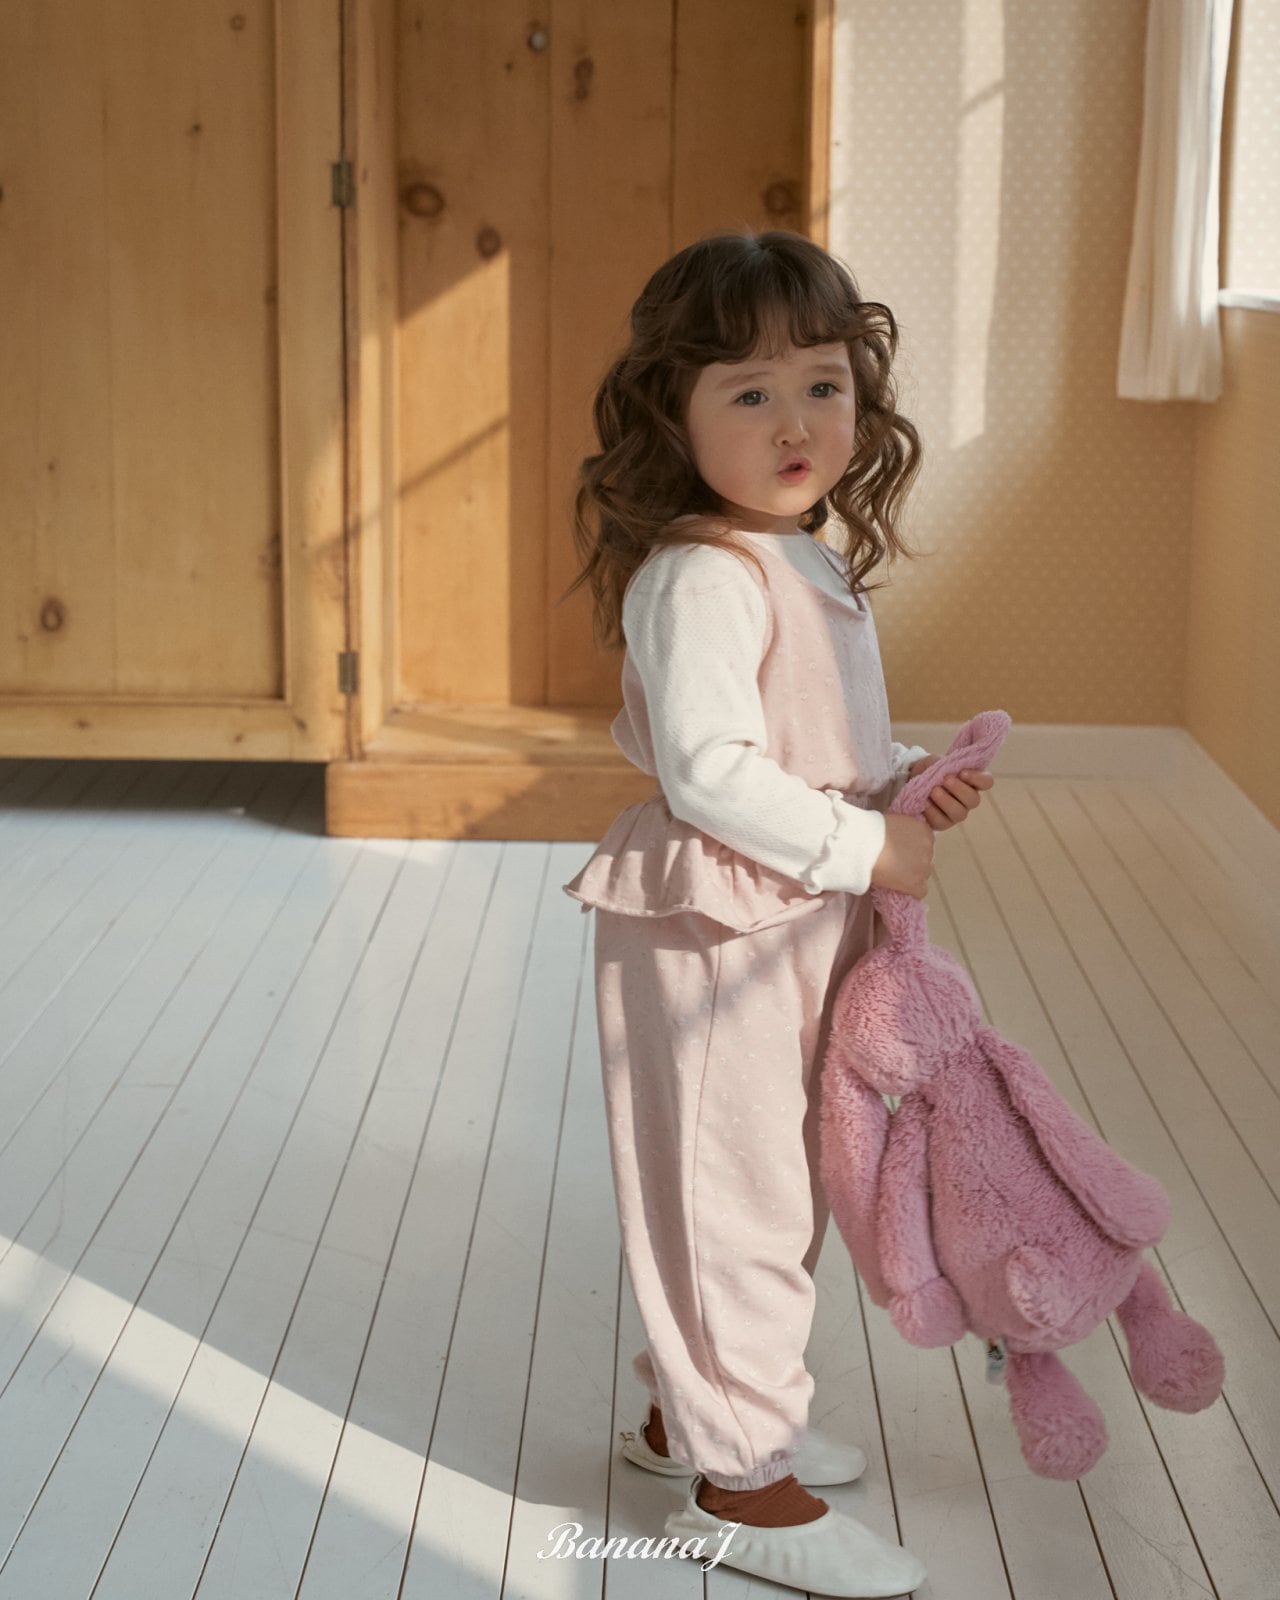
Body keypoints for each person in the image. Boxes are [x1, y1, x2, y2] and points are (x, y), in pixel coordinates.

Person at [559, 228, 992, 1597]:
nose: (795, 421)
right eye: (749, 392)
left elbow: (802, 736)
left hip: (797, 913)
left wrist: (898, 779)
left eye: (822, 384)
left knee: (781, 1176)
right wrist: (867, 842)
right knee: (731, 1195)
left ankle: (682, 1418)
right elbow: (708, 771)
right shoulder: (702, 573)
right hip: (719, 931)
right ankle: (739, 1480)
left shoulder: (802, 557)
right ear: (672, 415)